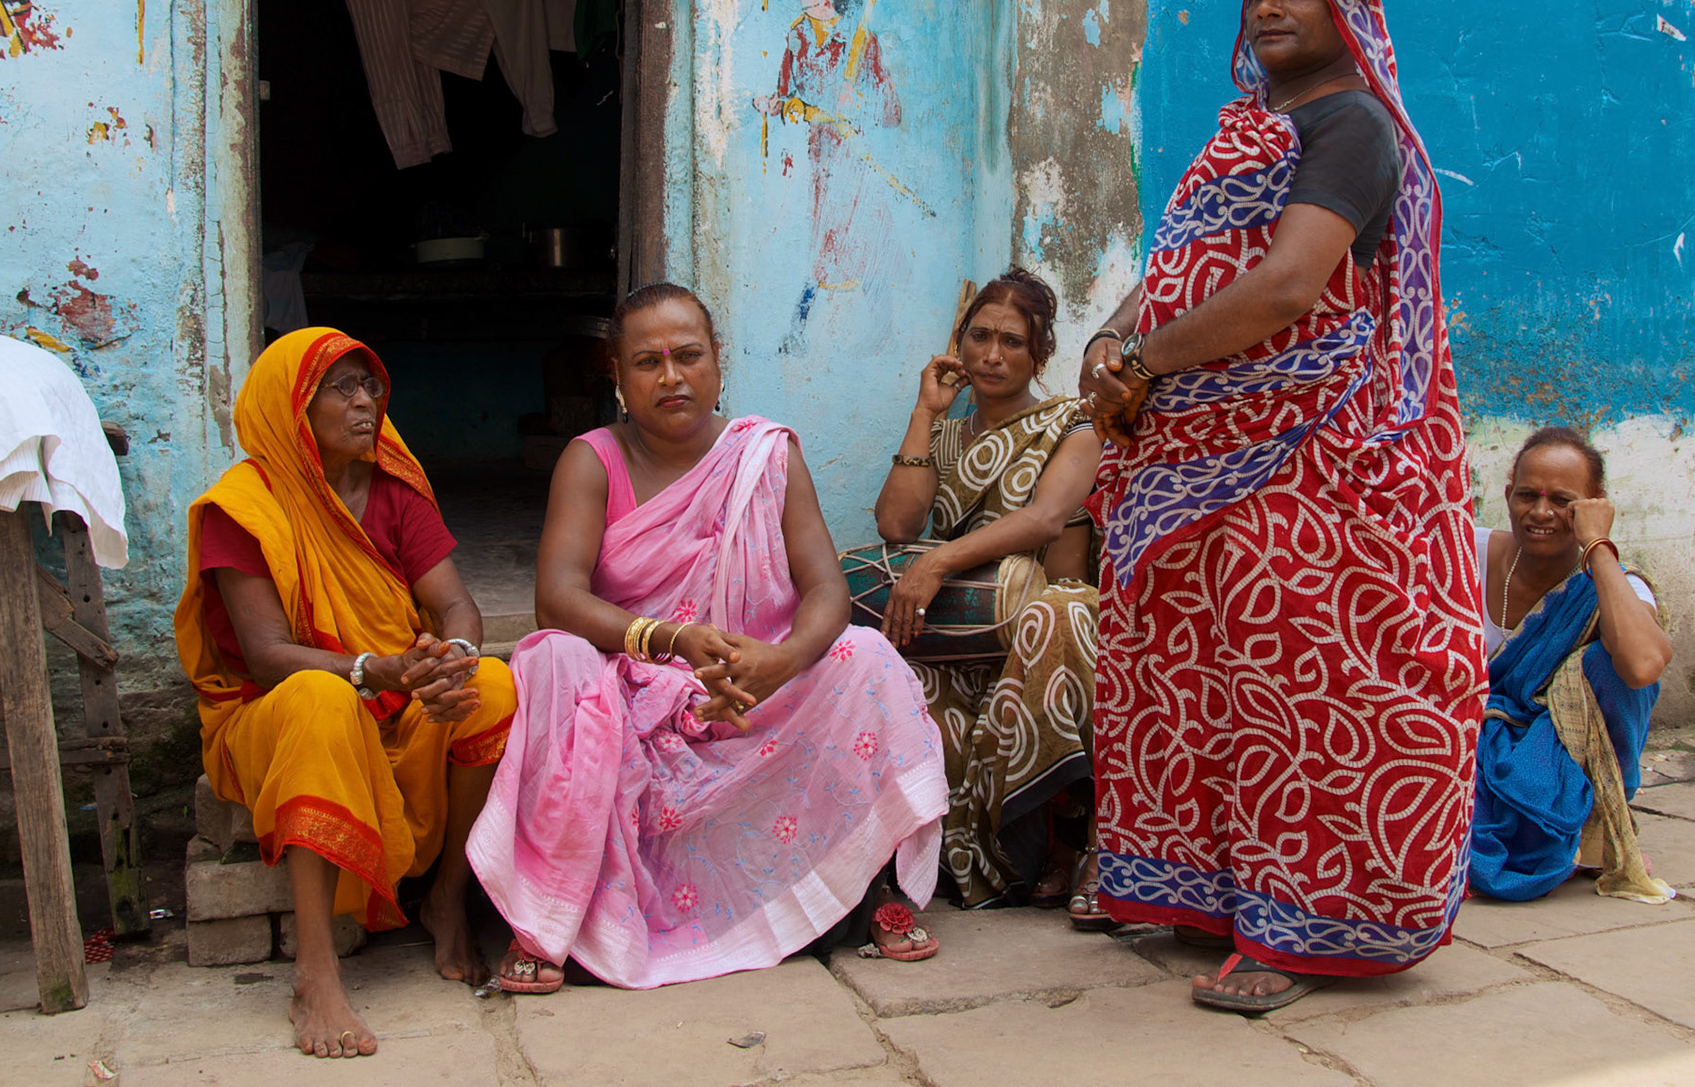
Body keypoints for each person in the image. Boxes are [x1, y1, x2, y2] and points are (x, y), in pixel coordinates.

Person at [1079, 0, 1483, 1012]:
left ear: (1347, 7)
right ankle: (1215, 893)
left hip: (1321, 459)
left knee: (1309, 689)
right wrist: (1108, 343)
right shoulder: (1242, 130)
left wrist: (1145, 361)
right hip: (1213, 454)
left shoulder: (1352, 124)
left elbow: (1291, 282)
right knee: (1211, 677)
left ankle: (1309, 926)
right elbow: (1174, 268)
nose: (1269, 6)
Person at [467, 283, 948, 991]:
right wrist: (668, 639)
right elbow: (557, 598)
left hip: (754, 687)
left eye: (688, 356)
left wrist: (779, 662)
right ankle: (551, 919)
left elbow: (826, 589)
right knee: (553, 660)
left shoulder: (766, 455)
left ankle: (868, 889)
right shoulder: (591, 460)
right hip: (634, 687)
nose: (671, 377)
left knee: (866, 657)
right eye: (647, 362)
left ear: (718, 361)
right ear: (618, 377)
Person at [173, 328, 516, 1059]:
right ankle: (316, 972)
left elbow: (455, 606)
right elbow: (266, 657)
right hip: (277, 712)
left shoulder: (395, 489)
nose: (366, 403)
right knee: (318, 698)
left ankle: (449, 898)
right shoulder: (244, 510)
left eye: (372, 387)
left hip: (388, 695)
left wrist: (450, 659)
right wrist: (377, 670)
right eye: (342, 388)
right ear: (289, 405)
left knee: (491, 684)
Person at [871, 269, 1103, 917]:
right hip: (962, 639)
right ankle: (983, 862)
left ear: (1040, 355)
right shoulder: (945, 437)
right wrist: (924, 413)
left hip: (1052, 636)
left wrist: (939, 562)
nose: (992, 355)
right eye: (979, 337)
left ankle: (1084, 844)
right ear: (959, 344)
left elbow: (1046, 520)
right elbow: (895, 526)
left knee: (1058, 613)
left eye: (1012, 342)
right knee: (890, 672)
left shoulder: (1072, 426)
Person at [1469, 427, 1674, 904]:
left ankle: (1595, 829)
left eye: (1562, 500)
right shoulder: (1464, 554)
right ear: (1507, 496)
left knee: (1612, 664)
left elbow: (1644, 666)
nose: (1541, 513)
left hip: (1553, 750)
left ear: (1592, 505)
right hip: (1469, 737)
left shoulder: (1612, 587)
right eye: (1527, 496)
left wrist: (1597, 548)